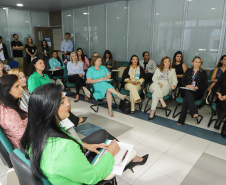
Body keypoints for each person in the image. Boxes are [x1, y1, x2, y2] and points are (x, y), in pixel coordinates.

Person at [20, 83, 148, 185]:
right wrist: (110, 154)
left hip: (67, 170)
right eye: (62, 102)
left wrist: (85, 145)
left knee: (102, 134)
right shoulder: (65, 148)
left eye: (65, 99)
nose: (68, 104)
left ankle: (128, 158)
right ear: (50, 110)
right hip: (84, 179)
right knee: (110, 150)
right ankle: (126, 158)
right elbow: (92, 177)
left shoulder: (36, 133)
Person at [177, 56, 207, 126]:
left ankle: (181, 120)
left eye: (199, 62)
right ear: (192, 63)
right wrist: (187, 86)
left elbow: (205, 85)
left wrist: (196, 87)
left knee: (186, 98)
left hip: (197, 92)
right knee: (188, 92)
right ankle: (194, 112)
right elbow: (183, 82)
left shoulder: (203, 72)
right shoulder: (188, 71)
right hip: (187, 90)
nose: (197, 63)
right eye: (196, 62)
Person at [0, 74, 27, 149]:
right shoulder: (9, 113)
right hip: (30, 148)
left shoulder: (8, 106)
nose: (21, 89)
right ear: (7, 90)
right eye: (17, 86)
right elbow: (25, 137)